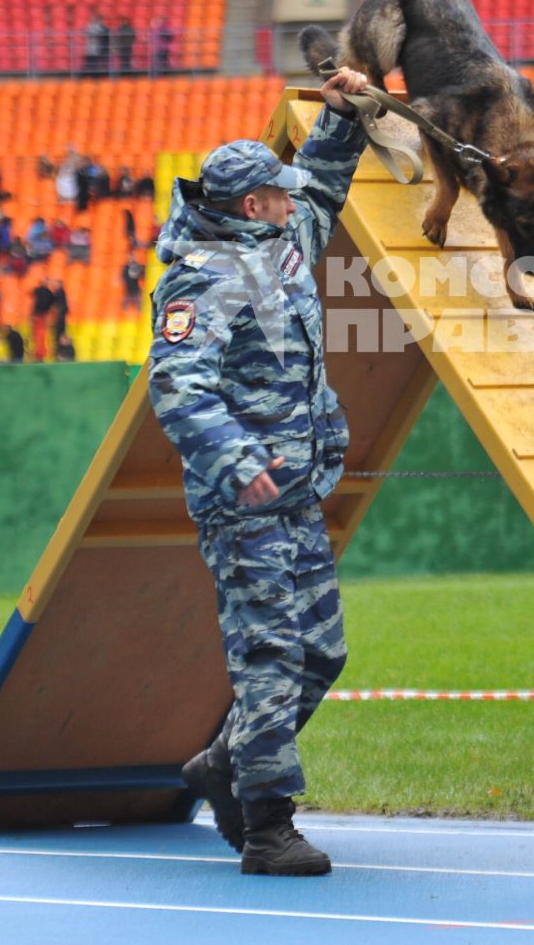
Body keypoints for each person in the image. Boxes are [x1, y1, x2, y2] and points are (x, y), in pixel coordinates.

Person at [153, 67, 371, 876]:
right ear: (251, 205)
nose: (289, 201)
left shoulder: (280, 241)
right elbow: (176, 385)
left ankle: (222, 765)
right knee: (271, 655)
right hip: (244, 505)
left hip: (297, 494)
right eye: (275, 194)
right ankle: (268, 826)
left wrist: (343, 115)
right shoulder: (199, 279)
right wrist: (240, 463)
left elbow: (319, 186)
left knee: (322, 654)